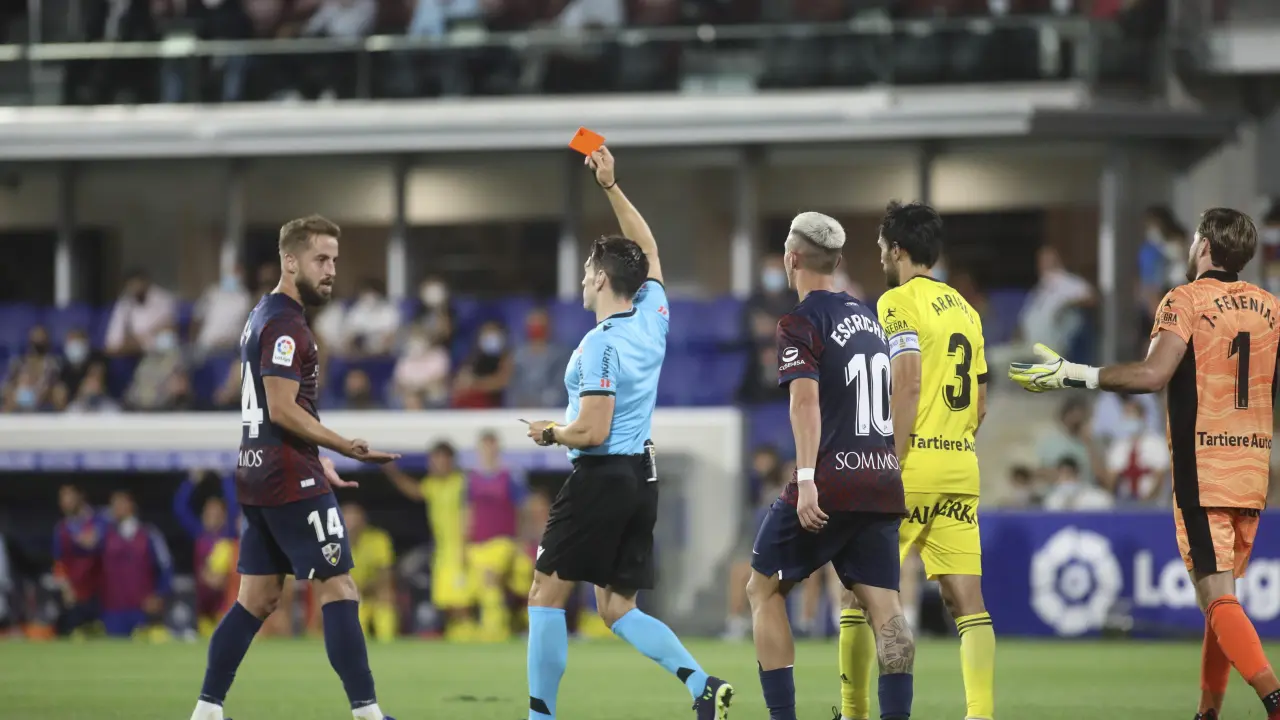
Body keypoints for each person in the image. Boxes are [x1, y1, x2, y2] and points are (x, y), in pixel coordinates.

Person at [1009, 207, 1280, 720]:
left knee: (1216, 597)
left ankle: (1274, 698)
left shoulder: (1185, 299)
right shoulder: (1270, 306)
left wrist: (1073, 374)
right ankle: (1207, 712)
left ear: (1204, 245)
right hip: (1251, 469)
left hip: (1205, 467)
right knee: (1221, 599)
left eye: (1194, 238)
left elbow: (1153, 375)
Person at [521, 146, 733, 720]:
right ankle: (701, 684)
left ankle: (540, 717)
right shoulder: (653, 316)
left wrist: (551, 433)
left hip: (602, 476)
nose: (582, 278)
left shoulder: (600, 344)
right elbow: (650, 251)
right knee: (616, 607)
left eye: (587, 270)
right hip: (642, 475)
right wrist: (611, 186)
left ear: (600, 278)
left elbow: (592, 431)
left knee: (544, 593)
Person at [189, 215, 401, 720]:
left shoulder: (262, 313)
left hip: (259, 470)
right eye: (320, 259)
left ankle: (207, 710)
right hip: (287, 476)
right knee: (339, 586)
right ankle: (368, 714)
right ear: (290, 261)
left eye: (334, 260)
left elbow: (275, 412)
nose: (331, 270)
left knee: (257, 598)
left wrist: (316, 455)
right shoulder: (286, 324)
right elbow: (282, 409)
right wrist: (344, 446)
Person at [747, 211, 914, 720]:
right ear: (838, 262)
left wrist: (805, 480)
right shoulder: (869, 317)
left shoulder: (798, 321)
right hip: (881, 474)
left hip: (831, 477)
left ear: (791, 259)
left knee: (763, 588)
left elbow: (804, 403)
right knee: (886, 609)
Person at [838, 201, 990, 720]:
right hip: (960, 467)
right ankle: (981, 714)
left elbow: (906, 383)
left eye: (882, 248)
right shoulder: (965, 310)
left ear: (898, 250)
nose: (881, 257)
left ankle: (854, 711)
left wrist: (890, 461)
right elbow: (980, 403)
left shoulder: (896, 302)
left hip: (911, 466)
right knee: (967, 603)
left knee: (860, 595)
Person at [381, 441, 474, 640]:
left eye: (441, 460)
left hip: (460, 550)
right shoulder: (432, 484)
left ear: (451, 461)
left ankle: (468, 638)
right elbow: (414, 491)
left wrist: (468, 545)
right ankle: (455, 640)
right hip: (441, 552)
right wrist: (392, 471)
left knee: (461, 602)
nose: (437, 464)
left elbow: (471, 512)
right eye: (434, 460)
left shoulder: (462, 482)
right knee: (445, 602)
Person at [465, 430, 533, 641]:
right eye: (485, 446)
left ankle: (497, 630)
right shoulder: (471, 478)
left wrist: (521, 541)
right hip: (479, 543)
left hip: (504, 541)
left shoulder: (510, 475)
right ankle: (498, 629)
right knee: (488, 590)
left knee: (496, 580)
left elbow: (522, 511)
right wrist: (463, 543)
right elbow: (467, 513)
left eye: (492, 445)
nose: (488, 450)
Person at [173, 471, 240, 635]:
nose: (212, 517)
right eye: (209, 513)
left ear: (224, 516)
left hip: (225, 602)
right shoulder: (199, 533)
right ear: (203, 515)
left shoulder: (229, 534)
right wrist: (192, 481)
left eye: (217, 513)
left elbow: (233, 504)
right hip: (203, 602)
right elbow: (180, 508)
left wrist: (225, 478)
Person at [101, 490, 174, 639]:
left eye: (121, 502)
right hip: (113, 609)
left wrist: (159, 594)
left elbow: (166, 566)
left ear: (132, 505)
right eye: (114, 504)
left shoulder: (149, 534)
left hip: (142, 608)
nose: (117, 507)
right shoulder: (103, 535)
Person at [52, 484, 107, 636]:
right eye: (62, 498)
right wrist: (66, 589)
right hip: (74, 594)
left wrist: (79, 535)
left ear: (80, 497)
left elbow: (91, 542)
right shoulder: (61, 529)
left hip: (101, 594)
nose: (64, 502)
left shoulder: (100, 519)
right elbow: (58, 562)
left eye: (68, 496)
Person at [343, 503, 398, 643]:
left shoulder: (378, 539)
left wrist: (366, 588)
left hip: (372, 591)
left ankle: (388, 643)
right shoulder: (330, 543)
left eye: (355, 520)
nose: (352, 526)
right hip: (347, 596)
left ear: (363, 521)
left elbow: (385, 574)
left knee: (386, 596)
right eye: (347, 520)